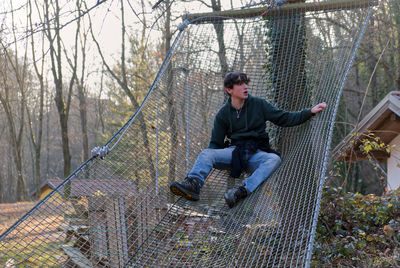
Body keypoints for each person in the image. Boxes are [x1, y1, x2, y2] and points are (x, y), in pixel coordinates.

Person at [170, 72, 327, 208]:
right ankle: (193, 185)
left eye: (245, 83)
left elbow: (284, 118)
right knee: (206, 154)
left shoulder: (259, 104)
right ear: (229, 90)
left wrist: (309, 112)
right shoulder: (223, 114)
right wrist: (215, 160)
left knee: (273, 159)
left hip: (257, 152)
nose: (245, 86)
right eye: (239, 84)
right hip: (235, 152)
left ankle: (242, 190)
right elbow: (215, 145)